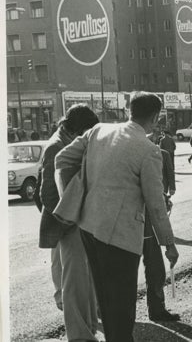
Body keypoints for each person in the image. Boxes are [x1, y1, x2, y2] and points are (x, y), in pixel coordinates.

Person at [55, 92, 178, 341]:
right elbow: (156, 206)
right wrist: (169, 244)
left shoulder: (98, 131)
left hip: (89, 228)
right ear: (155, 117)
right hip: (120, 240)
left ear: (128, 110)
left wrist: (78, 197)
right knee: (122, 309)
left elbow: (62, 158)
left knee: (106, 302)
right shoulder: (148, 151)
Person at [39, 104, 100, 340]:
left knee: (84, 281)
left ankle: (89, 328)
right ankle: (80, 335)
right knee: (74, 284)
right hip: (69, 223)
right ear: (76, 129)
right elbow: (47, 194)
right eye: (86, 132)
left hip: (76, 221)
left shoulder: (64, 141)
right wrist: (69, 218)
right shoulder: (56, 147)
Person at [142, 148, 180, 322]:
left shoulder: (159, 154)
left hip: (148, 230)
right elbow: (156, 206)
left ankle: (157, 310)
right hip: (135, 228)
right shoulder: (149, 155)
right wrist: (170, 244)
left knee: (156, 270)